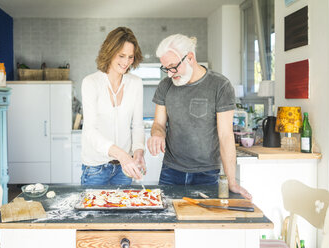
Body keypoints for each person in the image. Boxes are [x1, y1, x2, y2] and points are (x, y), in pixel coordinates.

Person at [147, 34, 251, 200]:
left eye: (173, 66)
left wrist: (232, 182)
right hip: (171, 171)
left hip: (207, 173)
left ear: (190, 58)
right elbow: (158, 123)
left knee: (202, 223)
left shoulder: (220, 86)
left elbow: (225, 136)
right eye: (165, 68)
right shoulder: (165, 86)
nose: (169, 74)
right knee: (167, 221)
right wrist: (157, 133)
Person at [81, 27, 145, 185]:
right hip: (96, 168)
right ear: (109, 52)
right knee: (92, 210)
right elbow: (90, 130)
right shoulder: (91, 82)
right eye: (121, 55)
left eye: (130, 57)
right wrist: (122, 155)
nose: (126, 62)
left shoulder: (136, 83)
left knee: (122, 209)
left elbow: (137, 125)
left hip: (124, 170)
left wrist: (138, 152)